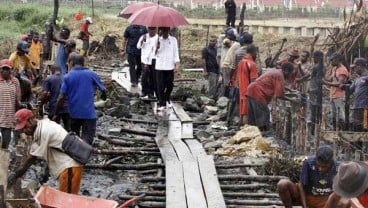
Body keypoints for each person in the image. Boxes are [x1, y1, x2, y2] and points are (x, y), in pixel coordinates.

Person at [7, 109, 83, 194]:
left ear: (31, 120)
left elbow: (31, 159)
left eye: (25, 127)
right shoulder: (43, 125)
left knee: (68, 200)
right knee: (67, 198)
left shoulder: (44, 131)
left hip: (70, 168)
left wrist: (15, 175)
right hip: (68, 167)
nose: (24, 131)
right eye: (22, 129)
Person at [56, 55, 106, 144]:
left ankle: (76, 155)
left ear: (71, 63)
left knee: (75, 138)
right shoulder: (92, 74)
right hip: (89, 114)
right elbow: (103, 90)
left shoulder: (68, 77)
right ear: (83, 63)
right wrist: (103, 97)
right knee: (87, 138)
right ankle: (85, 154)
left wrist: (57, 112)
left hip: (74, 113)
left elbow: (61, 97)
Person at [247, 62, 297, 131]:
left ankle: (254, 133)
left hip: (251, 90)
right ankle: (264, 133)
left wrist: (289, 90)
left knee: (253, 116)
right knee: (264, 114)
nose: (291, 75)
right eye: (290, 73)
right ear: (286, 71)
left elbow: (276, 85)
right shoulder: (279, 75)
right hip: (257, 92)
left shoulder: (277, 72)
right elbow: (279, 95)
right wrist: (292, 100)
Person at [231, 44, 258, 126]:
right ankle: (245, 130)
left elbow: (237, 77)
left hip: (241, 89)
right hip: (248, 91)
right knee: (246, 112)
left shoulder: (241, 62)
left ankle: (240, 128)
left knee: (242, 111)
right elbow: (254, 80)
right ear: (253, 52)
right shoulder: (252, 64)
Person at [155, 27, 180, 111]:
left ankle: (167, 98)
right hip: (160, 66)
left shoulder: (173, 40)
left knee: (170, 85)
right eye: (163, 31)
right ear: (161, 31)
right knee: (160, 85)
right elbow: (152, 53)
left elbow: (176, 52)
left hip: (170, 66)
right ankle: (162, 103)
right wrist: (156, 47)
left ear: (168, 31)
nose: (164, 32)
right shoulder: (157, 39)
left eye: (166, 31)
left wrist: (177, 64)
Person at [323, 52, 349, 130]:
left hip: (339, 96)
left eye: (332, 60)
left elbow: (340, 84)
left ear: (337, 60)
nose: (331, 62)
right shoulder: (335, 68)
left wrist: (325, 82)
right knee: (333, 116)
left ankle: (342, 134)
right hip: (333, 95)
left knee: (341, 116)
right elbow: (330, 79)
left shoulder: (342, 70)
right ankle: (335, 133)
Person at [40, 65, 70, 131]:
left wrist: (41, 105)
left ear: (52, 70)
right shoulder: (67, 78)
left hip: (54, 107)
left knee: (54, 129)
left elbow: (45, 93)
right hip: (67, 107)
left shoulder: (49, 79)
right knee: (68, 129)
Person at [0, 59, 21, 149]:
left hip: (9, 119)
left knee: (5, 145)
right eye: (3, 68)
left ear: (11, 70)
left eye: (7, 69)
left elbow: (18, 99)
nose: (5, 71)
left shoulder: (15, 82)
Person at [344, 58, 368, 131]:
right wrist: (343, 86)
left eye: (355, 67)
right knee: (356, 126)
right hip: (357, 106)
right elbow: (350, 90)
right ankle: (357, 142)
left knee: (365, 127)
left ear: (360, 66)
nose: (354, 69)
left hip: (365, 107)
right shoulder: (357, 79)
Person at [137, 27, 158, 99]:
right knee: (144, 76)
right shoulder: (144, 36)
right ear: (148, 29)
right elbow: (138, 47)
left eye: (153, 29)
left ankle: (151, 93)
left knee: (153, 76)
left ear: (156, 29)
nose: (152, 31)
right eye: (150, 29)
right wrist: (142, 41)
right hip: (145, 59)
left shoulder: (158, 38)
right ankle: (144, 91)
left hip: (153, 59)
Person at [307, 51, 325, 136]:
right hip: (319, 91)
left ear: (316, 58)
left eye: (314, 57)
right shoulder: (323, 67)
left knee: (313, 111)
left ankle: (313, 132)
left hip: (314, 91)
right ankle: (317, 130)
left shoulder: (315, 67)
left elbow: (311, 77)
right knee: (319, 111)